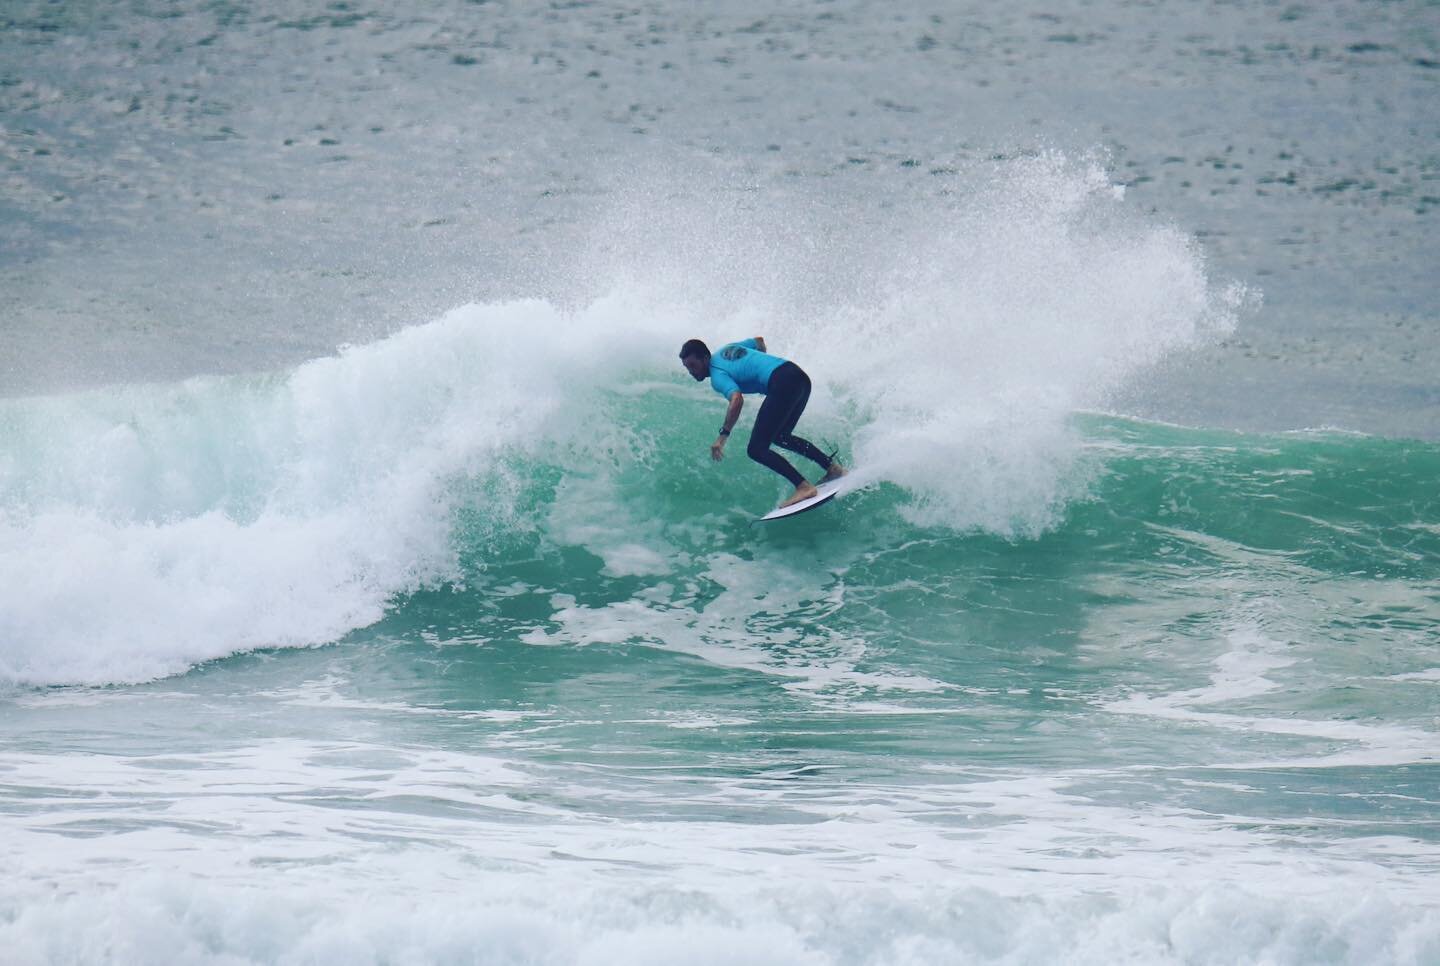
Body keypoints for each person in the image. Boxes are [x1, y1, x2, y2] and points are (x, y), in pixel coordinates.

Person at [679, 336, 845, 509]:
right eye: (687, 367)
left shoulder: (716, 376)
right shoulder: (726, 349)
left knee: (756, 450)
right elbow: (758, 341)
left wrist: (723, 436)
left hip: (782, 383)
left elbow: (736, 399)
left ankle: (803, 487)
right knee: (781, 436)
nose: (691, 371)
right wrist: (761, 368)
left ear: (705, 358)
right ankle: (833, 468)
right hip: (798, 376)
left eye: (693, 365)